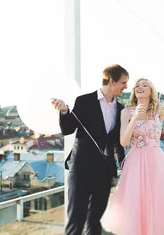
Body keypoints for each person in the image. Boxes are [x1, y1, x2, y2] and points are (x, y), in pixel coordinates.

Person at [101, 47, 164, 235]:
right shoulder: (126, 112)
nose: (140, 87)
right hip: (135, 162)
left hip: (155, 161)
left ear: (151, 91)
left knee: (157, 202)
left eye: (145, 85)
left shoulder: (159, 110)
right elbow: (124, 142)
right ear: (134, 91)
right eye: (137, 85)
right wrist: (135, 118)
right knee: (136, 204)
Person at [51, 64, 128, 235]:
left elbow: (118, 143)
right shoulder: (84, 101)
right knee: (76, 221)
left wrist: (124, 166)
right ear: (112, 80)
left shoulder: (121, 109)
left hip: (105, 172)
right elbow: (68, 129)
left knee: (95, 223)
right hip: (81, 169)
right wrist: (64, 111)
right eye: (123, 82)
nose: (126, 87)